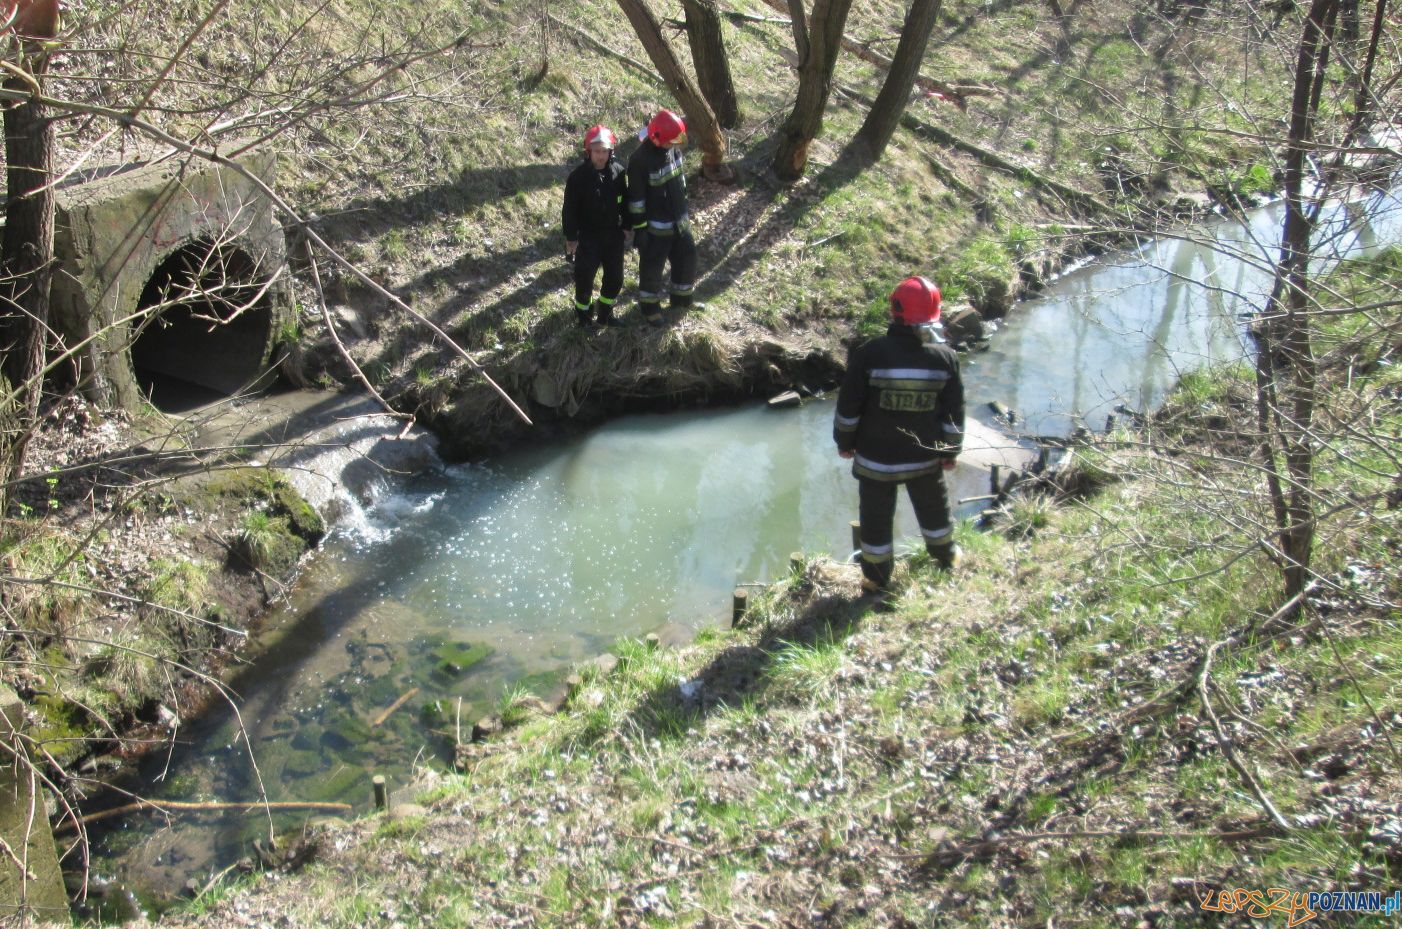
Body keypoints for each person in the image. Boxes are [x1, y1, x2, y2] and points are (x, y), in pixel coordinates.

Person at [833, 276, 964, 593]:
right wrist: (950, 452)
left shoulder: (869, 354)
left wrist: (845, 442)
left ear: (894, 310)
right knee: (934, 510)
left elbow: (849, 407)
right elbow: (953, 413)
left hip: (876, 461)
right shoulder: (946, 359)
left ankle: (876, 579)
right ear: (933, 316)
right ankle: (946, 558)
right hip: (924, 459)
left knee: (875, 519)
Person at [626, 108, 698, 326]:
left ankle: (682, 300)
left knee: (687, 258)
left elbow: (680, 181)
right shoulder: (640, 160)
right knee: (652, 269)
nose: (675, 144)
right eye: (671, 141)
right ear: (658, 138)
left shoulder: (673, 148)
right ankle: (650, 309)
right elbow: (636, 201)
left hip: (679, 221)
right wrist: (640, 230)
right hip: (656, 229)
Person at [562, 124, 632, 328]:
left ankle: (605, 314)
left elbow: (625, 201)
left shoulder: (618, 173)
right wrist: (571, 237)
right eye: (597, 151)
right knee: (584, 280)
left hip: (613, 236)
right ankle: (583, 317)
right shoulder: (578, 178)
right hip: (588, 237)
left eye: (604, 151)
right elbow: (569, 210)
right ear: (589, 151)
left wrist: (627, 225)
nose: (601, 156)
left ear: (611, 152)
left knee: (615, 278)